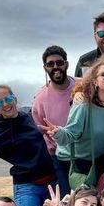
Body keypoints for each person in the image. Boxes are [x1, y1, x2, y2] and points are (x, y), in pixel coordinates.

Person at [39, 57, 104, 186]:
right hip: (72, 161)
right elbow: (70, 135)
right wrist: (57, 132)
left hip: (97, 160)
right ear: (95, 81)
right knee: (75, 202)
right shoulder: (83, 104)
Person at [32, 45, 76, 196]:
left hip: (87, 154)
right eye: (50, 64)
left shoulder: (83, 86)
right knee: (67, 200)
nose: (55, 67)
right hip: (59, 159)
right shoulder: (40, 99)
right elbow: (41, 131)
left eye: (59, 62)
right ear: (45, 68)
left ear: (66, 64)